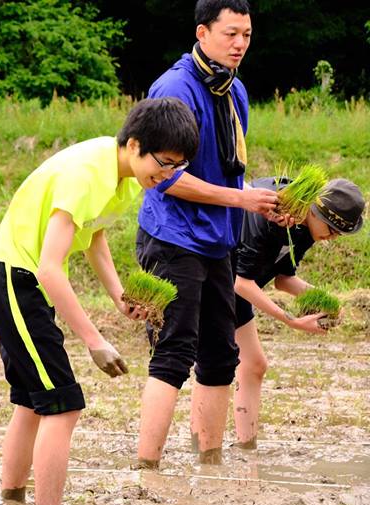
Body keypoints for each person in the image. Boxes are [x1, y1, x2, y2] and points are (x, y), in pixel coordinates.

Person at [0, 97, 199, 505]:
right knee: (63, 404)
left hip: (15, 279)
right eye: (165, 163)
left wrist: (119, 295)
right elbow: (49, 269)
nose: (167, 175)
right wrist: (94, 341)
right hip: (14, 278)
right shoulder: (86, 174)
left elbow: (93, 236)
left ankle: (11, 500)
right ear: (135, 145)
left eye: (177, 167)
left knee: (31, 399)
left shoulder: (125, 177)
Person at [134, 0, 284, 469]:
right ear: (203, 33)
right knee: (175, 352)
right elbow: (161, 174)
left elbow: (231, 168)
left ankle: (210, 461)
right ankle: (147, 468)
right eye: (230, 34)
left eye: (247, 35)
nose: (240, 44)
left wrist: (263, 202)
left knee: (222, 354)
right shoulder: (175, 88)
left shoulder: (234, 91)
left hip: (220, 239)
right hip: (173, 237)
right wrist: (241, 200)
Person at [232, 177, 366, 448]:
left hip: (237, 290)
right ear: (316, 210)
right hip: (215, 284)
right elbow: (240, 281)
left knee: (254, 365)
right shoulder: (270, 215)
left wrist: (325, 301)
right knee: (215, 366)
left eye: (339, 233)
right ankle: (208, 451)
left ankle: (246, 446)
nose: (332, 237)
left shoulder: (306, 226)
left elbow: (283, 278)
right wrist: (291, 321)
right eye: (332, 229)